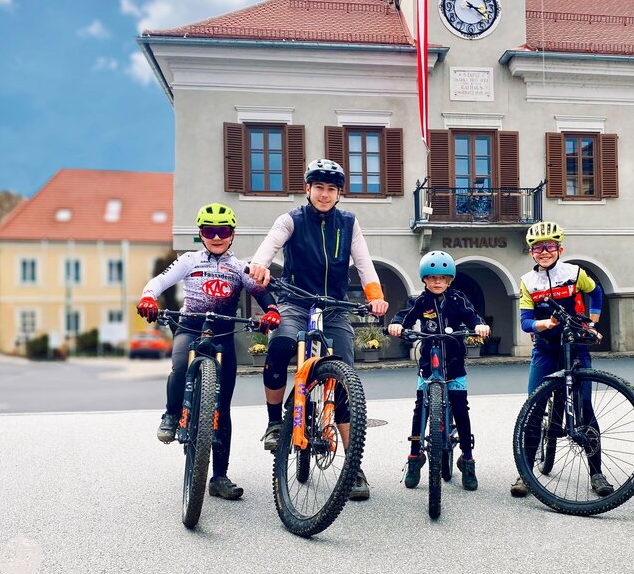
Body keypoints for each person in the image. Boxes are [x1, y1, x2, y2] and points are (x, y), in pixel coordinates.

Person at [248, 159, 389, 501]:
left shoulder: (348, 223)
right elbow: (269, 245)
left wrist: (375, 296)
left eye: (332, 189)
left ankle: (353, 466)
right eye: (319, 188)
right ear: (308, 189)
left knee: (344, 378)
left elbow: (363, 263)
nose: (325, 195)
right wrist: (259, 265)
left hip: (335, 305)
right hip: (296, 302)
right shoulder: (291, 219)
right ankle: (275, 422)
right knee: (280, 344)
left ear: (339, 194)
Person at [136, 203, 281, 500]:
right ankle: (171, 414)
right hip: (190, 327)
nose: (216, 237)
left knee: (222, 408)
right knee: (179, 367)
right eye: (209, 230)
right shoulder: (189, 260)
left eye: (223, 231)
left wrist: (272, 311)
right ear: (200, 233)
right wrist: (148, 297)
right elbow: (160, 281)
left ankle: (219, 477)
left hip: (224, 333)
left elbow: (260, 292)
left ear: (232, 234)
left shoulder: (239, 266)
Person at [509, 221, 611, 498]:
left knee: (585, 407)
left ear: (560, 249)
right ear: (531, 252)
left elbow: (596, 292)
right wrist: (545, 324)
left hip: (576, 346)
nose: (544, 252)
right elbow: (525, 322)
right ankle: (526, 473)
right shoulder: (527, 282)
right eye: (538, 248)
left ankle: (596, 473)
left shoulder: (575, 273)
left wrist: (592, 323)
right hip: (545, 348)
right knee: (534, 407)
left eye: (549, 246)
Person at [387, 251, 491, 491]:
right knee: (419, 410)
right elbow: (404, 316)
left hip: (454, 365)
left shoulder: (458, 299)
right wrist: (397, 325)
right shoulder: (420, 301)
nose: (437, 282)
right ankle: (414, 457)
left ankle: (467, 459)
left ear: (449, 280)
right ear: (424, 279)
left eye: (442, 278)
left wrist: (479, 325)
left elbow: (472, 316)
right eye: (432, 277)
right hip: (428, 366)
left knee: (461, 409)